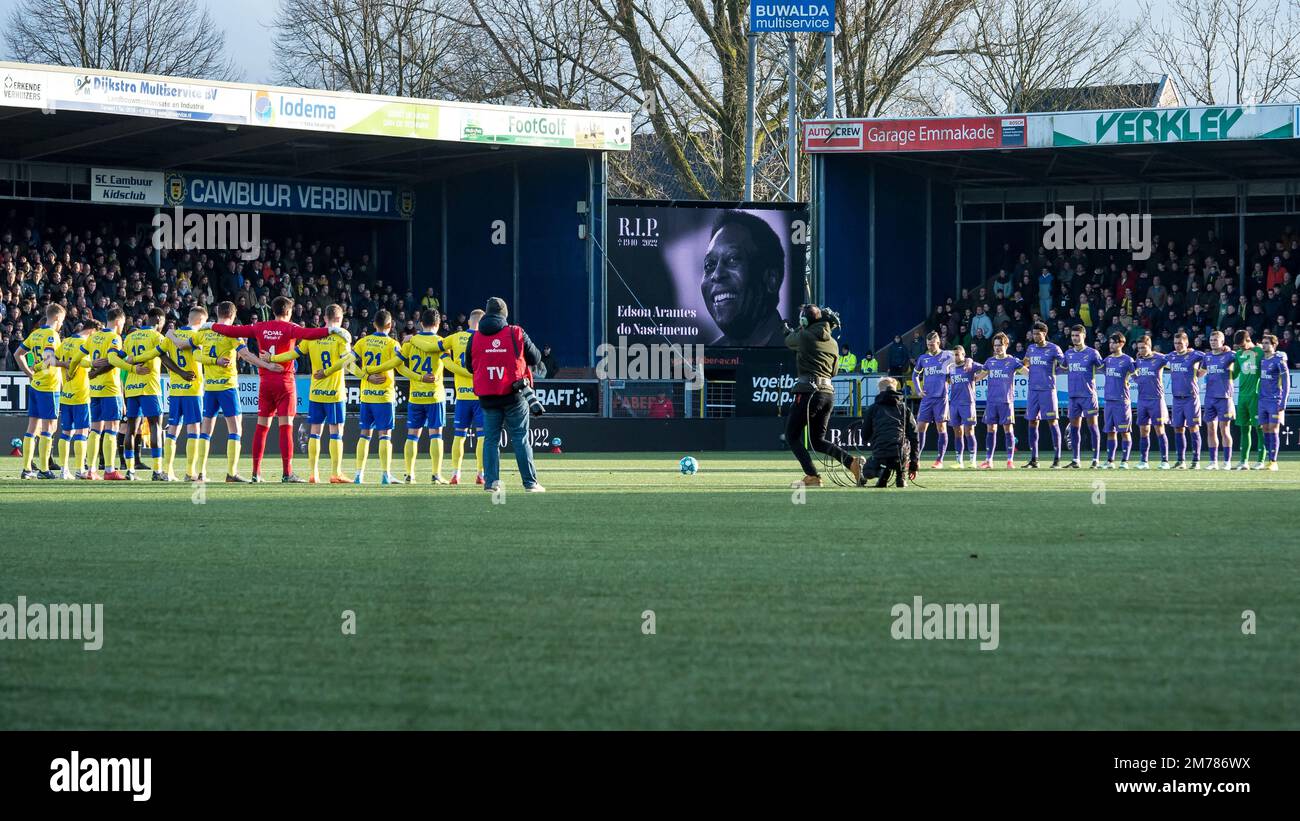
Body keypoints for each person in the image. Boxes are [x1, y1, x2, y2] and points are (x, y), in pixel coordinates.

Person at [210, 296, 347, 482]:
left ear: (273, 311)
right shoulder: (291, 328)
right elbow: (311, 334)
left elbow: (232, 330)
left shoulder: (259, 326)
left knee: (261, 427)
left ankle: (255, 473)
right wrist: (334, 330)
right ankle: (287, 473)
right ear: (289, 312)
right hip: (285, 382)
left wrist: (210, 326)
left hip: (265, 382)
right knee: (286, 427)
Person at [466, 297, 545, 492]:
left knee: (490, 440)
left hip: (488, 396)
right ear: (504, 314)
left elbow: (469, 367)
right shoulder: (515, 332)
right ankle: (530, 483)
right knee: (520, 437)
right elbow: (535, 357)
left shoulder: (474, 337)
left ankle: (492, 484)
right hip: (514, 394)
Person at [268, 304, 352, 483]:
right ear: (340, 319)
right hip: (334, 392)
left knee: (315, 432)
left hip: (316, 393)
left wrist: (272, 358)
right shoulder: (341, 338)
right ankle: (336, 473)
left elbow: (293, 354)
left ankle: (313, 474)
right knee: (336, 432)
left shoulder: (312, 337)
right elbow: (347, 360)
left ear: (324, 319)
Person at [783, 304, 863, 487]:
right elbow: (834, 372)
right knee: (818, 440)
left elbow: (789, 341)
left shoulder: (804, 335)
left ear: (804, 321)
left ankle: (812, 476)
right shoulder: (833, 343)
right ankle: (852, 463)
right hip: (827, 394)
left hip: (808, 392)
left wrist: (788, 330)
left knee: (792, 436)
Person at [700, 211, 787, 346]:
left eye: (733, 259)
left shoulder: (800, 352)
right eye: (709, 265)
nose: (716, 275)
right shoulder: (709, 356)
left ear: (771, 279)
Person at [397, 309, 449, 483]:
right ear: (438, 324)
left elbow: (399, 367)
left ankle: (409, 474)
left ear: (420, 323)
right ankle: (436, 474)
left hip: (415, 396)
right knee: (436, 434)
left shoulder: (410, 342)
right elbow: (449, 364)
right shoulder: (441, 342)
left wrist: (417, 377)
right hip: (435, 395)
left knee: (412, 434)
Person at [351, 309, 402, 485]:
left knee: (364, 434)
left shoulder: (363, 342)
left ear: (373, 324)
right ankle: (386, 475)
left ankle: (359, 474)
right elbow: (400, 364)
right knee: (385, 435)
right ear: (390, 325)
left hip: (366, 395)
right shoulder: (393, 344)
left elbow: (349, 364)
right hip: (384, 396)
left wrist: (366, 375)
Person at [13, 303, 64, 479]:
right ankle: (43, 469)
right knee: (48, 427)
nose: (61, 324)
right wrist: (36, 367)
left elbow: (17, 354)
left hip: (35, 386)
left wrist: (29, 373)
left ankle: (27, 469)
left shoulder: (35, 334)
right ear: (57, 318)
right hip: (49, 386)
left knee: (32, 426)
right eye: (62, 321)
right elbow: (49, 359)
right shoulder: (52, 335)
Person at [442, 309, 485, 484]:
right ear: (482, 323)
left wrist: (447, 360)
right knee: (483, 436)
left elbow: (436, 347)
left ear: (468, 321)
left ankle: (456, 473)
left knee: (459, 436)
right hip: (480, 395)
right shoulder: (485, 339)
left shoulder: (455, 337)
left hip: (462, 396)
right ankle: (481, 474)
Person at [859, 377, 918, 487]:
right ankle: (901, 477)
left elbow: (865, 436)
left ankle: (882, 472)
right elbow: (914, 436)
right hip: (900, 456)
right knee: (902, 449)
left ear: (880, 391)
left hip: (880, 454)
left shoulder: (873, 409)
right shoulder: (904, 409)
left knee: (867, 470)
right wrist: (914, 465)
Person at [1022, 321, 1065, 468]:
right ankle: (1034, 459)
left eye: (1037, 334)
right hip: (1033, 390)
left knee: (1052, 421)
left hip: (1048, 390)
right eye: (1033, 334)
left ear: (1044, 334)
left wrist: (1053, 373)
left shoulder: (1054, 348)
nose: (1035, 336)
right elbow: (1025, 363)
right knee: (1032, 421)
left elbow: (1064, 365)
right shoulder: (1031, 348)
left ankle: (1057, 459)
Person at [1062, 324, 1104, 468]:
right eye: (1073, 336)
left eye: (1077, 335)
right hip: (1073, 396)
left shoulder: (1093, 353)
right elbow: (1062, 367)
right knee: (1074, 428)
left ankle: (1096, 459)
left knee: (1093, 426)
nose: (1074, 338)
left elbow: (1103, 368)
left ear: (1084, 336)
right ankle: (1076, 460)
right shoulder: (1068, 354)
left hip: (1088, 395)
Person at [978, 332, 1021, 469]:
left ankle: (1009, 460)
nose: (997, 348)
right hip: (991, 401)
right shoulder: (990, 362)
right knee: (991, 429)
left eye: (1000, 345)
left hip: (1006, 402)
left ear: (1006, 345)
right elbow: (979, 376)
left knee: (1008, 429)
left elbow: (1026, 372)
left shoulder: (1013, 361)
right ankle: (989, 460)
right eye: (995, 345)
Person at [1165, 331, 1206, 469]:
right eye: (1176, 343)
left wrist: (1202, 371)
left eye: (1180, 343)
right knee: (1178, 428)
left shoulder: (1194, 355)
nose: (1177, 346)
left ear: (1187, 343)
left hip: (1191, 398)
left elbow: (1209, 357)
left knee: (1193, 428)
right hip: (1176, 398)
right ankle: (1181, 460)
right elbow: (1158, 359)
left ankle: (1196, 460)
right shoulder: (1171, 356)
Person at [912, 331, 952, 468]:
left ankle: (939, 460)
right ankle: (915, 458)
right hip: (927, 399)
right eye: (928, 345)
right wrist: (918, 390)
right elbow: (915, 376)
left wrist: (968, 362)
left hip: (941, 398)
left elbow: (962, 358)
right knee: (920, 427)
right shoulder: (923, 358)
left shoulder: (947, 355)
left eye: (932, 345)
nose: (930, 347)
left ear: (938, 343)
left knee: (941, 427)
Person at [1132, 335, 1170, 469]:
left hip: (1156, 400)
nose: (1141, 350)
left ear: (1150, 346)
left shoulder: (1159, 358)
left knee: (1160, 429)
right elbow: (1131, 371)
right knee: (1143, 430)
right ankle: (1144, 461)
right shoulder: (1139, 361)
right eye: (1139, 348)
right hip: (1142, 400)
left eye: (1144, 347)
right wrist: (1136, 379)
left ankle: (1165, 461)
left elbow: (1174, 360)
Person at [1101, 332, 1136, 469]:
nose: (1111, 345)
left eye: (1114, 342)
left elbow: (1136, 375)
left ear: (1121, 343)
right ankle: (1110, 461)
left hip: (1122, 400)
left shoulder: (1128, 360)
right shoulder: (1107, 360)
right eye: (1110, 342)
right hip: (1109, 400)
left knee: (1124, 431)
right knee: (1110, 431)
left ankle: (1125, 461)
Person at [1201, 330, 1236, 469]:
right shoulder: (1207, 357)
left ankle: (1227, 462)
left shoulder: (1229, 355)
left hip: (1224, 398)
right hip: (1209, 398)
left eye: (1216, 340)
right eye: (1211, 340)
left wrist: (1232, 350)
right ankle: (1213, 461)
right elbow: (1200, 373)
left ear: (1222, 342)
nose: (1213, 342)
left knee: (1224, 429)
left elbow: (1242, 356)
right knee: (1210, 429)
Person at [1232, 330, 1266, 470]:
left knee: (1260, 428)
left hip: (1256, 396)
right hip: (1242, 396)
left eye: (1241, 345)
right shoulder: (1239, 354)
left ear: (1248, 339)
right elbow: (1234, 375)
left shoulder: (1261, 351)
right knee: (1244, 429)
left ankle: (1260, 460)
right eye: (1238, 346)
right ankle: (1243, 461)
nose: (1240, 348)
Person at [947, 346, 983, 468]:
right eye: (954, 355)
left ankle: (972, 461)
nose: (955, 357)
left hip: (968, 403)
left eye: (957, 354)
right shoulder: (950, 368)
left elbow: (986, 368)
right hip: (954, 404)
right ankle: (959, 461)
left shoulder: (970, 366)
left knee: (969, 431)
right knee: (957, 432)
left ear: (963, 354)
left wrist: (971, 362)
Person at [1256, 333, 1288, 470]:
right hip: (1262, 400)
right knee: (1265, 429)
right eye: (1263, 342)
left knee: (1274, 429)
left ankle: (1273, 461)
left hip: (1275, 400)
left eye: (1267, 343)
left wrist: (1283, 401)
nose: (1264, 345)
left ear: (1274, 345)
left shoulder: (1279, 360)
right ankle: (1269, 457)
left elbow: (1286, 382)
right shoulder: (1262, 360)